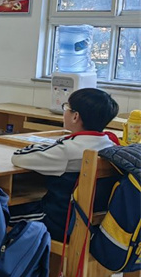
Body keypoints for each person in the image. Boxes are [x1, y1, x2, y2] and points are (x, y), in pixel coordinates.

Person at [11, 88, 120, 241]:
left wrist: (49, 146)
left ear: (75, 116)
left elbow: (18, 157)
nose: (65, 111)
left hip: (59, 222)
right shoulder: (110, 144)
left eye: (66, 107)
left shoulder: (68, 150)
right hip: (93, 225)